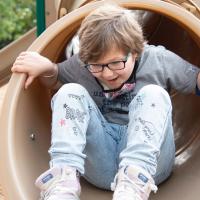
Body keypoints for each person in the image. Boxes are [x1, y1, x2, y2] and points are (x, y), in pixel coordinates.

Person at [11, 4, 200, 200]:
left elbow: (195, 81)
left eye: (116, 63)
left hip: (149, 168)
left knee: (154, 94)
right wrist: (47, 68)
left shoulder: (158, 60)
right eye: (97, 66)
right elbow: (56, 78)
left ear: (135, 51)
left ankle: (132, 187)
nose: (108, 73)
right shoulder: (82, 66)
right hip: (100, 164)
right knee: (69, 92)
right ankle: (63, 181)